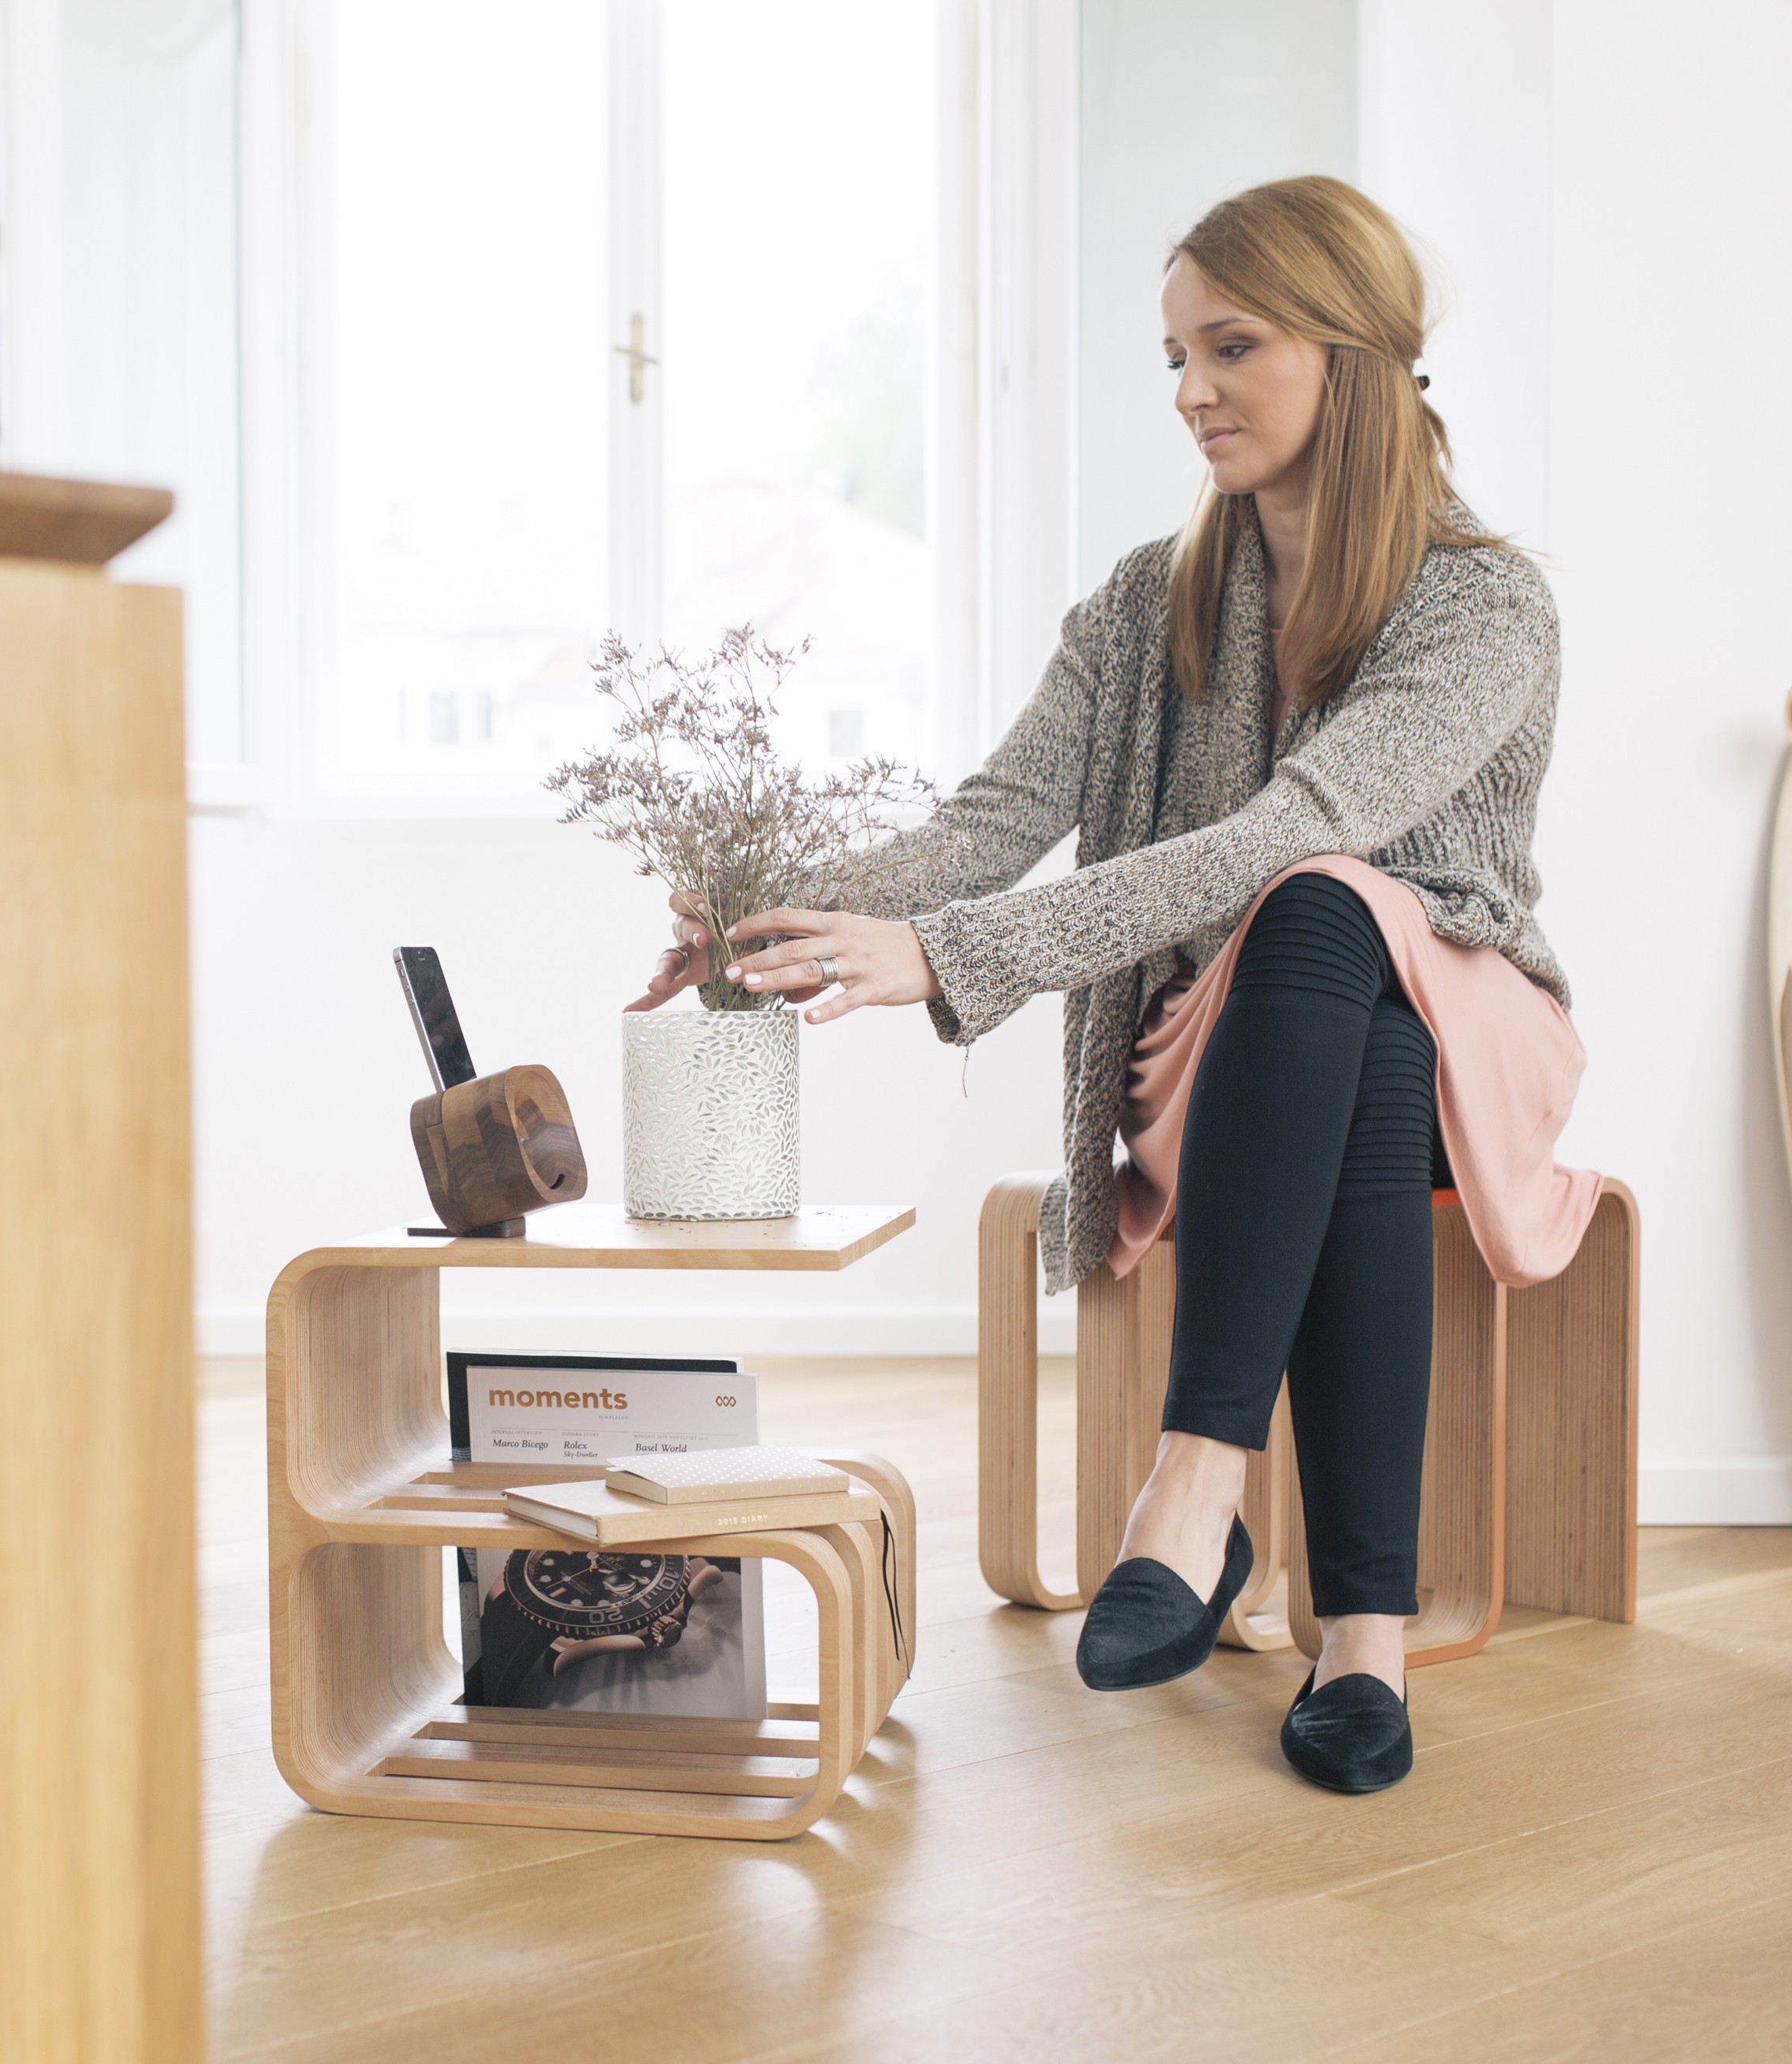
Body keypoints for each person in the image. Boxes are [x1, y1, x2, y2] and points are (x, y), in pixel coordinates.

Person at [627, 176, 1598, 1794]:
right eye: (1174, 357)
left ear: (1353, 354)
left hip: (1468, 1049)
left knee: (1326, 907)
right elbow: (988, 823)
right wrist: (760, 906)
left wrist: (957, 960)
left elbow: (1296, 830)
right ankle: (1360, 1639)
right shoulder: (1151, 604)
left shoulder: (1487, 604)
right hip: (1234, 1052)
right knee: (1328, 982)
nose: (1191, 391)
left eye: (1232, 346)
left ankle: (1197, 1490)